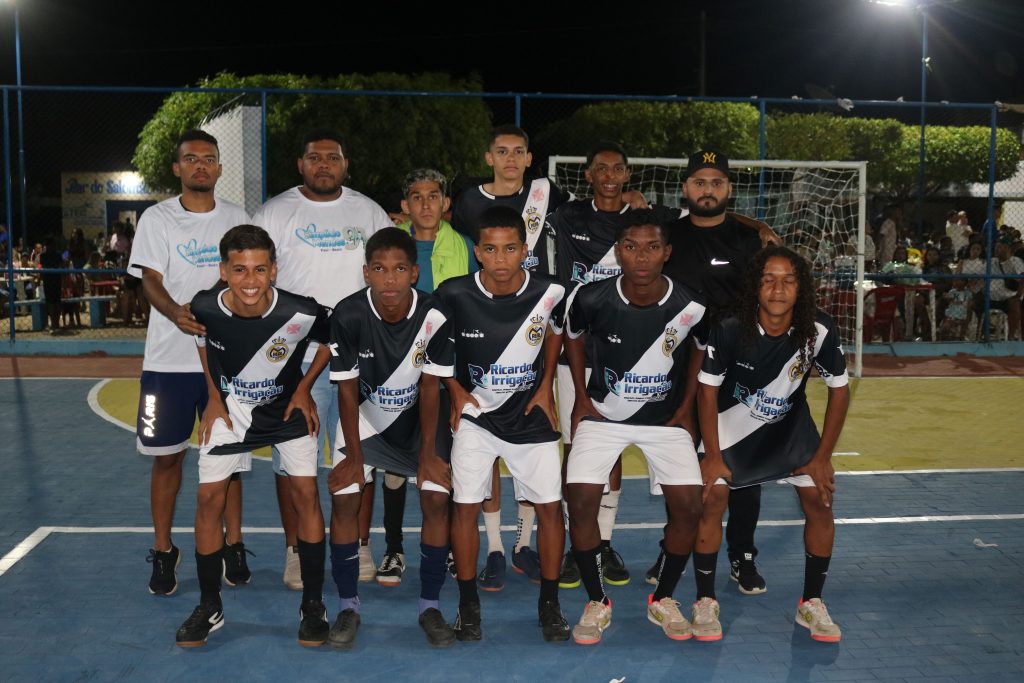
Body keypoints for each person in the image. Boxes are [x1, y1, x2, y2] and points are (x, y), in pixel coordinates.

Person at [176, 224, 331, 648]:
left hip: (286, 412)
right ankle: (210, 606)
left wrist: (304, 388)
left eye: (260, 269)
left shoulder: (301, 310)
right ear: (223, 271)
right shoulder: (205, 307)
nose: (250, 280)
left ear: (274, 270)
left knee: (306, 495)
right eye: (240, 269)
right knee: (208, 500)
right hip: (231, 412)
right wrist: (212, 396)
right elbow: (201, 343)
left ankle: (313, 604)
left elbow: (328, 343)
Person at [253, 128, 392, 590]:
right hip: (295, 360)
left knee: (360, 454)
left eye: (333, 157)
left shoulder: (368, 211)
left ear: (345, 164)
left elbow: (386, 277)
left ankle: (360, 545)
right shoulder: (274, 212)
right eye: (315, 157)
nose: (324, 164)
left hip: (361, 355)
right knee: (293, 459)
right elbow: (258, 280)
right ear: (301, 164)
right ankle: (296, 550)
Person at [693, 245, 851, 643]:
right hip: (731, 428)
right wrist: (712, 456)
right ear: (755, 286)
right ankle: (705, 600)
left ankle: (811, 602)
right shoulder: (730, 327)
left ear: (801, 288)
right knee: (712, 498)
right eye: (768, 280)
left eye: (788, 281)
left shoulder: (819, 329)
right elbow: (706, 392)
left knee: (820, 500)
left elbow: (840, 390)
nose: (778, 290)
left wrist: (822, 457)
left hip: (788, 430)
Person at [564, 210, 708, 645]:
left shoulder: (692, 304)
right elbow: (572, 336)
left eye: (651, 247)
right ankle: (597, 601)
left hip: (665, 421)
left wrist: (687, 407)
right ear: (618, 251)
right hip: (603, 416)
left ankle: (662, 598)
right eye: (631, 247)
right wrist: (581, 398)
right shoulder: (591, 297)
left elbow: (699, 351)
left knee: (689, 508)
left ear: (667, 252)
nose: (641, 257)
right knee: (580, 500)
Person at [435, 205, 570, 642]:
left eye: (510, 249)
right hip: (476, 418)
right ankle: (468, 605)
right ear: (477, 252)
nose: (500, 259)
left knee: (550, 507)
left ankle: (549, 604)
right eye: (490, 249)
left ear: (525, 250)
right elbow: (433, 346)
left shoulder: (551, 289)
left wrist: (546, 384)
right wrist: (455, 389)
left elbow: (557, 329)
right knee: (464, 506)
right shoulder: (453, 293)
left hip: (530, 418)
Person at [449, 125, 574, 589]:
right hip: (485, 317)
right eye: (501, 151)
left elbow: (585, 213)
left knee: (530, 452)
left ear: (528, 157)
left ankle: (522, 544)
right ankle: (495, 548)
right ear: (489, 157)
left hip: (532, 316)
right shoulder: (469, 202)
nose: (509, 158)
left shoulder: (547, 194)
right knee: (485, 454)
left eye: (518, 151)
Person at [127, 130, 251, 596]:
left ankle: (233, 544)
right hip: (168, 362)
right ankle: (164, 550)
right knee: (168, 459)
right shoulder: (157, 218)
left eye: (209, 158)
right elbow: (150, 280)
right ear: (177, 167)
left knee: (230, 461)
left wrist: (217, 311)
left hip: (228, 362)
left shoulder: (237, 218)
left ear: (219, 168)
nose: (201, 165)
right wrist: (176, 312)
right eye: (192, 158)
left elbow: (246, 275)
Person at [324, 228, 458, 649]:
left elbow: (431, 387)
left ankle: (430, 606)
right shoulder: (347, 315)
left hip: (420, 422)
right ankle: (348, 606)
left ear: (414, 273)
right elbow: (347, 389)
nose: (389, 280)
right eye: (380, 269)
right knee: (345, 496)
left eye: (399, 269)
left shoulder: (434, 313)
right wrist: (353, 455)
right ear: (366, 273)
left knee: (436, 497)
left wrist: (429, 454)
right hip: (364, 421)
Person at [654, 150, 772, 595]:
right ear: (685, 188)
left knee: (743, 463)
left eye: (717, 182)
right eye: (699, 182)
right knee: (680, 464)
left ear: (729, 189)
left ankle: (742, 555)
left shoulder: (749, 240)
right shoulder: (666, 235)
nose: (708, 190)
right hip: (677, 368)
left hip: (737, 366)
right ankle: (673, 548)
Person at [352, 170, 476, 588]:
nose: (425, 204)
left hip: (446, 371)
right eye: (416, 197)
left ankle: (448, 549)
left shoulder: (465, 246)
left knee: (444, 460)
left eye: (434, 196)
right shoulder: (389, 245)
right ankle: (394, 549)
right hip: (395, 372)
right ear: (405, 206)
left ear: (446, 203)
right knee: (392, 468)